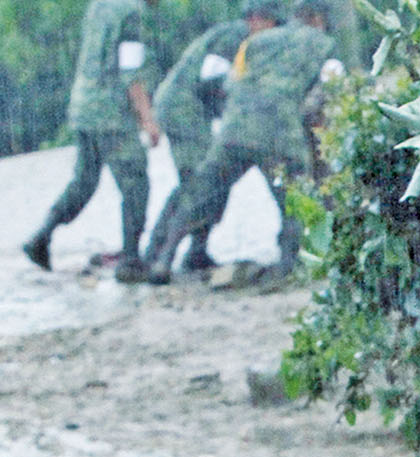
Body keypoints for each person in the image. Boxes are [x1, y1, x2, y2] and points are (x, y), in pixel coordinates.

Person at [143, 0, 344, 285]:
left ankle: (163, 259)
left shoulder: (255, 42)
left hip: (235, 129)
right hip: (280, 132)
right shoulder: (325, 45)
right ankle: (290, 264)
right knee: (294, 198)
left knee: (202, 191)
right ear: (318, 19)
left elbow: (229, 83)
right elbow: (330, 89)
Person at [22, 0, 163, 281]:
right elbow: (131, 72)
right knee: (136, 182)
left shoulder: (100, 5)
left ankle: (41, 236)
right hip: (111, 112)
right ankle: (131, 260)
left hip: (84, 105)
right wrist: (148, 119)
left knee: (84, 181)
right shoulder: (131, 14)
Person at [143, 0, 285, 275]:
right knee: (197, 181)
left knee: (210, 181)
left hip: (193, 109)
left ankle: (194, 250)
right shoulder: (234, 37)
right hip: (183, 108)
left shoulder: (241, 38)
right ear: (258, 19)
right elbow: (211, 79)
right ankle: (157, 253)